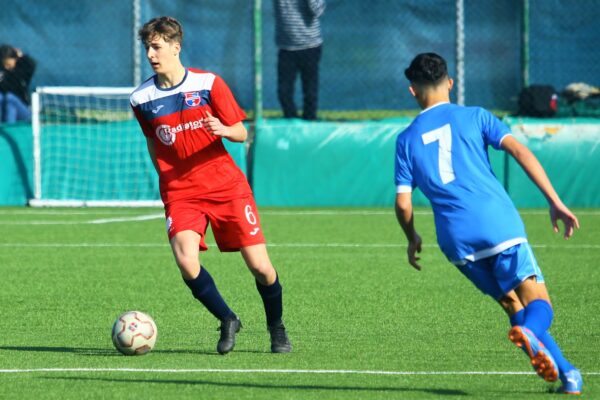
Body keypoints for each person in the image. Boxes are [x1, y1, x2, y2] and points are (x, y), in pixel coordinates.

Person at [394, 53, 582, 394]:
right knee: (539, 303)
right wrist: (555, 201)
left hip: (456, 241)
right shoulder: (477, 116)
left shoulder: (406, 140)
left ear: (413, 91)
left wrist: (411, 237)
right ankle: (533, 334)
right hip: (498, 225)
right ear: (450, 82)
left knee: (512, 303)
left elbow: (403, 204)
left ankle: (568, 374)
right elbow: (520, 152)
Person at [130, 16, 291, 355]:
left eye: (156, 46)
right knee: (186, 260)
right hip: (180, 191)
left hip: (225, 186)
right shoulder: (141, 98)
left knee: (261, 268)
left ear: (176, 47)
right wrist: (166, 178)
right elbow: (152, 141)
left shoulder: (208, 84)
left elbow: (242, 132)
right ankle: (227, 318)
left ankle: (276, 327)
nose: (150, 54)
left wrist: (223, 129)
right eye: (147, 47)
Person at [274, 0, 325, 120]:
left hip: (310, 46)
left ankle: (310, 119)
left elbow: (318, 11)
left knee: (310, 91)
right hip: (286, 48)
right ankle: (291, 120)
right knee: (284, 91)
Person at [0, 44, 36, 123]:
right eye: (4, 64)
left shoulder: (22, 70)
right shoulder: (2, 73)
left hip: (24, 112)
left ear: (15, 60)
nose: (6, 67)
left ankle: (9, 129)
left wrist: (21, 56)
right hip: (5, 112)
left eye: (9, 64)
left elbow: (32, 65)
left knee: (10, 98)